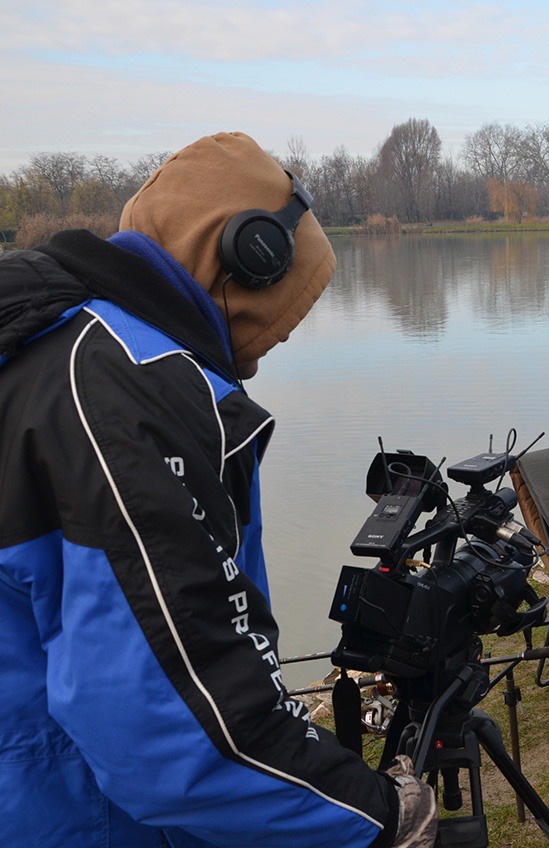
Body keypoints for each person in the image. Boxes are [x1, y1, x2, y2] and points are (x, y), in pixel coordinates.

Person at [0, 133, 434, 847]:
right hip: (80, 817)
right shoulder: (123, 397)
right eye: (288, 308)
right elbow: (176, 728)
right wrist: (377, 816)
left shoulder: (56, 347)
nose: (285, 338)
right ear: (246, 257)